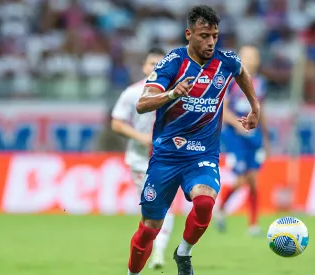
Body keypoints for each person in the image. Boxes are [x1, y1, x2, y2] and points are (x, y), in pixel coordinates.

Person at [127, 5, 260, 275]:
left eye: (214, 35)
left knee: (204, 202)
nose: (210, 42)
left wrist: (254, 107)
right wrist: (172, 94)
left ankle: (183, 252)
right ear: (189, 34)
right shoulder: (172, 63)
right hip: (165, 157)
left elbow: (241, 71)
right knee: (149, 229)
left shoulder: (225, 61)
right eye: (203, 36)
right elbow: (142, 104)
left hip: (202, 155)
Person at [111, 47, 174, 269]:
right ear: (144, 67)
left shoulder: (175, 93)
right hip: (140, 161)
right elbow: (117, 123)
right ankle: (147, 253)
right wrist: (141, 137)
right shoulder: (131, 93)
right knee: (152, 210)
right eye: (151, 64)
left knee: (165, 207)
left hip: (167, 160)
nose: (155, 68)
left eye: (160, 64)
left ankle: (158, 253)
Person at [217, 45, 270, 237]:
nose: (251, 60)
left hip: (253, 135)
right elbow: (223, 109)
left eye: (254, 56)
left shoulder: (261, 83)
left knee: (254, 181)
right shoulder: (231, 81)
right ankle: (221, 209)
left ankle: (253, 224)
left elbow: (260, 110)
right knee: (241, 180)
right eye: (246, 56)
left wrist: (265, 137)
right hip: (234, 134)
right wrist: (238, 126)